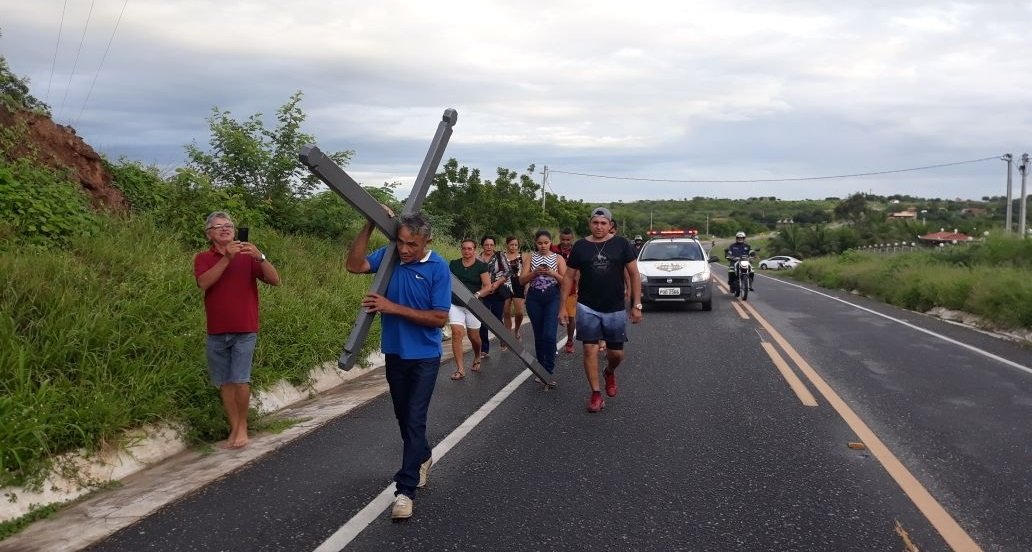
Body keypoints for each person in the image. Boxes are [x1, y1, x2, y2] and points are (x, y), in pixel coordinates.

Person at [346, 209, 451, 521]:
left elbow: (439, 317)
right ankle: (423, 455)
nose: (405, 250)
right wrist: (368, 224)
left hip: (425, 358)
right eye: (401, 242)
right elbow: (354, 265)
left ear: (426, 242)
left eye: (412, 245)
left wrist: (391, 307)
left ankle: (405, 490)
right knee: (404, 417)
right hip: (394, 353)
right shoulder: (389, 255)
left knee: (415, 418)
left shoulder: (438, 267)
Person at [193, 211, 281, 449]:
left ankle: (242, 427)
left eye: (229, 225)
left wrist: (260, 256)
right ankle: (235, 426)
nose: (225, 229)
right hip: (216, 329)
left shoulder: (247, 256)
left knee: (240, 380)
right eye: (219, 226)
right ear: (209, 234)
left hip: (245, 328)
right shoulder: (203, 258)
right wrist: (226, 259)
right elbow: (204, 283)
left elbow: (275, 280)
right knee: (225, 383)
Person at [559, 207, 643, 413]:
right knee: (589, 348)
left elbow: (634, 274)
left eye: (603, 223)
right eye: (595, 223)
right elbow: (569, 276)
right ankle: (596, 394)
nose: (599, 227)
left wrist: (636, 304)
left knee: (616, 354)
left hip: (614, 307)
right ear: (590, 224)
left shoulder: (622, 244)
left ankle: (609, 371)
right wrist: (562, 306)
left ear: (610, 225)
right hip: (587, 306)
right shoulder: (580, 246)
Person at [520, 229, 566, 384]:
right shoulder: (530, 257)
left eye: (546, 242)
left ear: (551, 242)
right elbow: (521, 281)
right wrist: (534, 273)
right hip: (534, 297)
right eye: (540, 243)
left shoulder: (558, 258)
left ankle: (548, 369)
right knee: (539, 335)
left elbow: (565, 281)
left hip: (552, 296)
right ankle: (541, 369)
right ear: (535, 243)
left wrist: (553, 273)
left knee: (549, 335)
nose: (543, 246)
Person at [448, 239, 491, 379]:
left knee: (474, 337)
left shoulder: (481, 266)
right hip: (455, 303)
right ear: (461, 249)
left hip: (473, 305)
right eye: (464, 248)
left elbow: (487, 286)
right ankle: (460, 369)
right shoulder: (454, 264)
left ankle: (477, 355)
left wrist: (477, 294)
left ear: (474, 250)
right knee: (456, 333)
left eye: (470, 249)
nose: (467, 251)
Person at [477, 235, 511, 359]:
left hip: (497, 292)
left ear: (494, 246)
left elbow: (508, 271)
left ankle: (503, 340)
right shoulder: (478, 258)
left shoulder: (499, 256)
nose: (489, 247)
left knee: (497, 318)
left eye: (491, 245)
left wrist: (496, 284)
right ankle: (484, 349)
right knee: (483, 320)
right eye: (486, 245)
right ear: (482, 246)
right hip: (483, 293)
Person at [551, 228, 578, 354]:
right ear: (559, 238)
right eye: (563, 239)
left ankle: (570, 341)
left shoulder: (576, 251)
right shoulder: (553, 249)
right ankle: (552, 344)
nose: (565, 242)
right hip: (553, 288)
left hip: (571, 290)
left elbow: (579, 270)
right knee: (552, 316)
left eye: (568, 240)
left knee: (571, 318)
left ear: (572, 238)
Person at [502, 236, 526, 347]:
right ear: (507, 245)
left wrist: (527, 286)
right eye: (511, 244)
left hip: (518, 283)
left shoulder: (522, 257)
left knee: (519, 312)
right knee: (506, 311)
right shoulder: (501, 256)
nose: (513, 247)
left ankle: (516, 330)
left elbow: (526, 271)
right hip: (505, 283)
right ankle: (508, 333)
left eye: (516, 245)